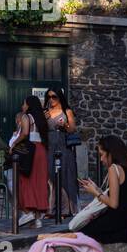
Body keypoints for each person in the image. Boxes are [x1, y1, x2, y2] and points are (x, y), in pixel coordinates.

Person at [14, 96, 51, 228]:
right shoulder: (41, 119)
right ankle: (37, 219)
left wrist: (14, 143)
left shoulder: (26, 117)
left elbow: (24, 133)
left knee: (26, 180)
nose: (22, 106)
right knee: (39, 182)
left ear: (29, 105)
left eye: (24, 103)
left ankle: (28, 211)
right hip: (41, 150)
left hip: (30, 151)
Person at [44, 88, 79, 218]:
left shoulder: (67, 111)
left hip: (63, 145)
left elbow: (72, 129)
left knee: (65, 175)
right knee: (51, 177)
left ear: (60, 97)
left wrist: (65, 126)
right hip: (50, 145)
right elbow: (40, 129)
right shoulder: (46, 112)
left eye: (54, 97)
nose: (51, 100)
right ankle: (51, 208)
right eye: (49, 97)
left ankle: (65, 209)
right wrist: (43, 120)